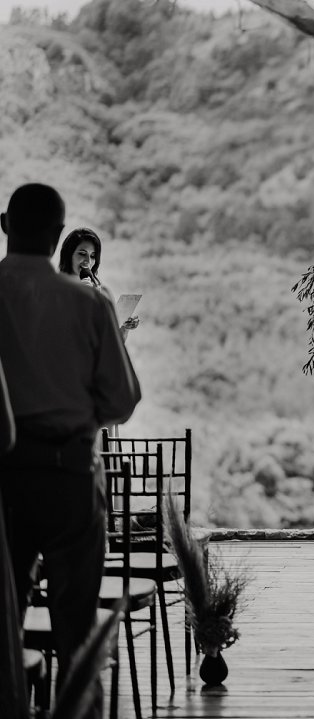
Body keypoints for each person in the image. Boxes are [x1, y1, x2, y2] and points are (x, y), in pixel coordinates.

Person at [0, 183, 142, 719]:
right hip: (70, 473)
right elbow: (122, 401)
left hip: (4, 479)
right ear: (59, 235)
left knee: (2, 625)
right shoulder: (88, 302)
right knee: (77, 628)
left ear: (5, 226)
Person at [58, 227, 140, 339]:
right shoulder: (54, 290)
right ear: (69, 255)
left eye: (92, 256)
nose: (88, 261)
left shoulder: (100, 293)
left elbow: (104, 343)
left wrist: (123, 330)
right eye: (82, 253)